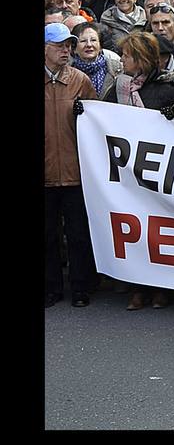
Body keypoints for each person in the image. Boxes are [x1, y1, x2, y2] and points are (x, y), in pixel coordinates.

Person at [45, 23, 99, 309]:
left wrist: (86, 115)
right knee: (47, 237)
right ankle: (51, 288)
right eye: (58, 46)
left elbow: (100, 122)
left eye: (68, 45)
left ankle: (81, 286)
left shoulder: (80, 80)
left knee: (78, 234)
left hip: (77, 173)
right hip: (46, 173)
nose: (65, 50)